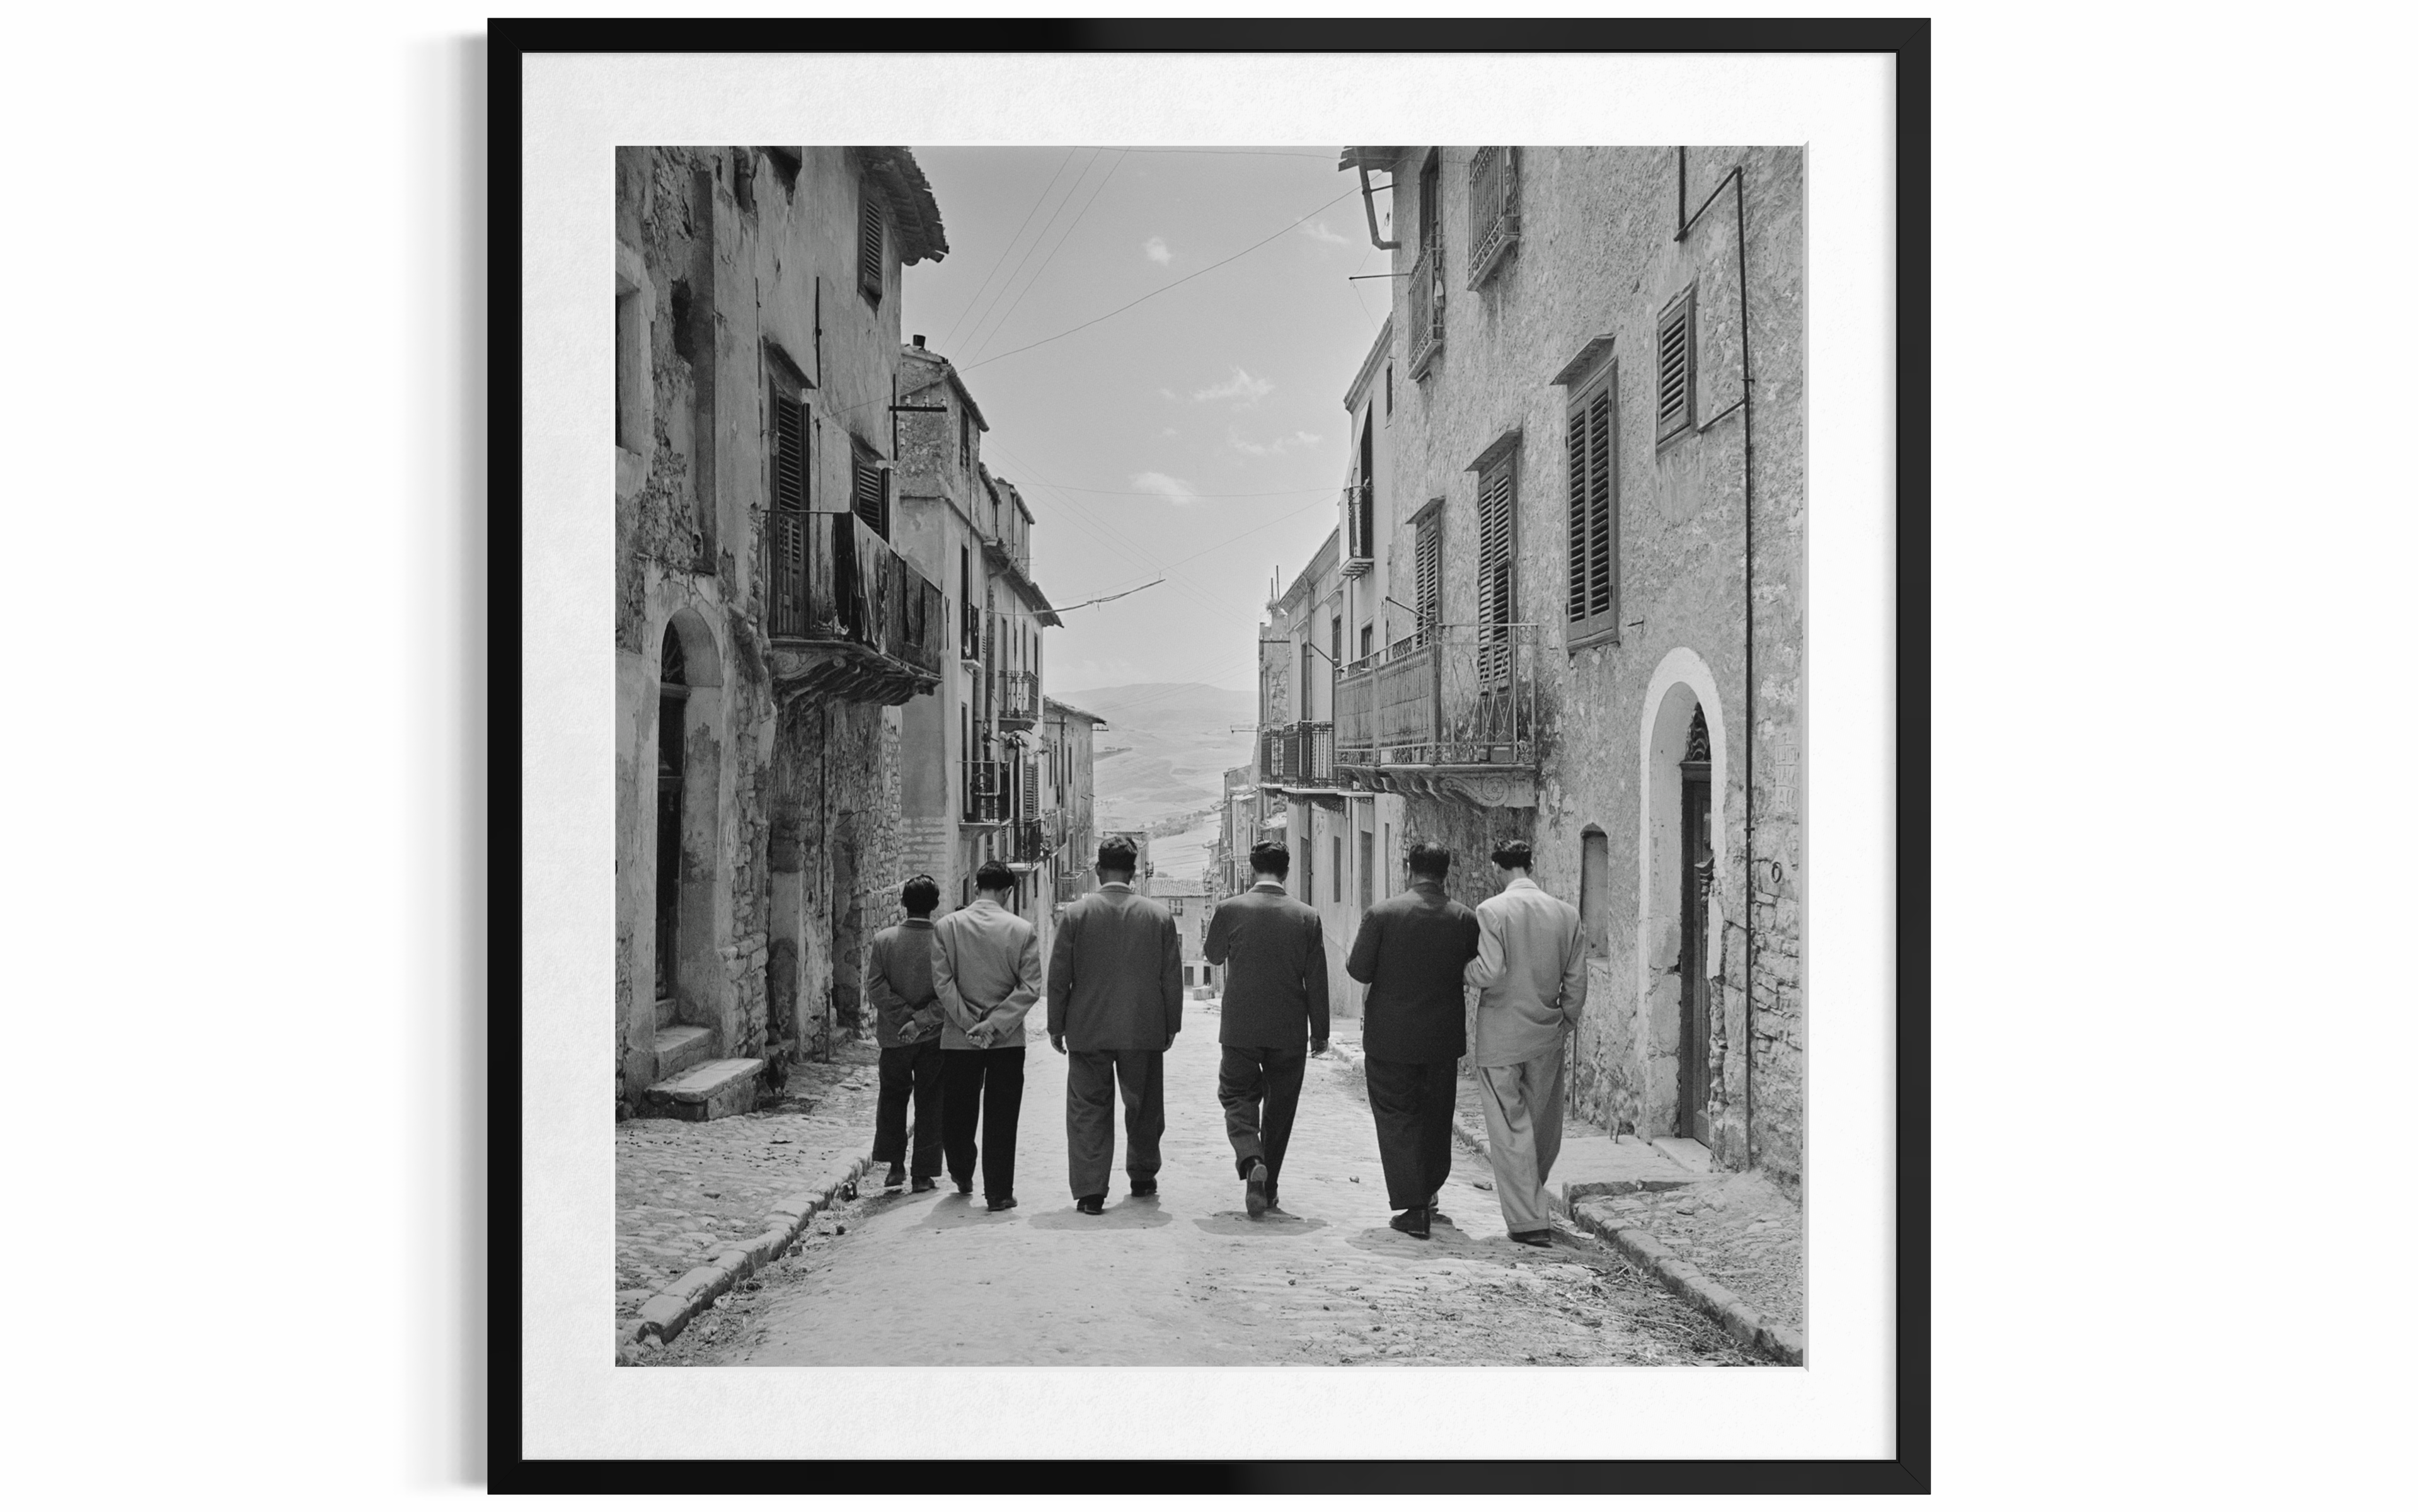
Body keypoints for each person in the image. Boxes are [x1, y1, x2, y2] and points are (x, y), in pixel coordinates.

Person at [1345, 841, 1480, 1240]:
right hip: (1441, 1039)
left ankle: (1414, 1205)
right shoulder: (1463, 918)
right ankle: (1430, 1189)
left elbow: (1358, 969)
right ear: (1446, 872)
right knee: (1436, 1116)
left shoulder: (1382, 915)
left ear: (1409, 868)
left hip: (1390, 1038)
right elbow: (1476, 966)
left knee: (1396, 1117)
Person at [1045, 836, 1183, 1214]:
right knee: (1144, 1106)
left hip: (1087, 1029)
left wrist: (1056, 1025)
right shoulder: (1158, 916)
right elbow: (1171, 977)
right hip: (1143, 1027)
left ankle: (1091, 1192)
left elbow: (1059, 976)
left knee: (1088, 1108)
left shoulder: (1076, 915)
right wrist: (1171, 1025)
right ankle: (1142, 1176)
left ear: (1098, 870)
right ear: (1134, 872)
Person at [1463, 839, 1589, 1248]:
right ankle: (1532, 1200)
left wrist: (1459, 969)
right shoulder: (1565, 914)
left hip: (1501, 1034)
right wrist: (1566, 1019)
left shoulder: (1491, 911)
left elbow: (1488, 970)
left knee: (1508, 1127)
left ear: (1498, 868)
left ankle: (1527, 1220)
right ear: (1530, 865)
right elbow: (1575, 979)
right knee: (1542, 1126)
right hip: (1546, 1031)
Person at [1202, 840, 1328, 1218]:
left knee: (1237, 1095)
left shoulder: (1229, 909)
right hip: (1289, 1029)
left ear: (1251, 870)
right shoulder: (1307, 916)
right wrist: (1319, 1033)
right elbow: (1317, 979)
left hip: (1240, 1027)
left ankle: (1250, 1157)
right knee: (1280, 1109)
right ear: (1286, 871)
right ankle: (1268, 1188)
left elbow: (1213, 955)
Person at [932, 859, 1044, 1213]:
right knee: (1002, 1115)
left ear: (977, 886)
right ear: (1008, 892)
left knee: (958, 1110)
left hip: (959, 1038)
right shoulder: (1022, 930)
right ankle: (998, 1192)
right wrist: (993, 1025)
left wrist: (969, 1023)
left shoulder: (946, 927)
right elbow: (1030, 988)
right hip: (1006, 1041)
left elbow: (943, 983)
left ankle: (962, 1173)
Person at [865, 874, 947, 1193]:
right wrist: (921, 1021)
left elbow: (875, 986)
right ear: (935, 905)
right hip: (933, 1037)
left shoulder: (884, 941)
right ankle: (923, 1174)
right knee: (931, 1102)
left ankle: (895, 1167)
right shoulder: (944, 942)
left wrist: (904, 1021)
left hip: (894, 1037)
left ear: (903, 903)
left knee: (893, 1099)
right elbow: (948, 993)